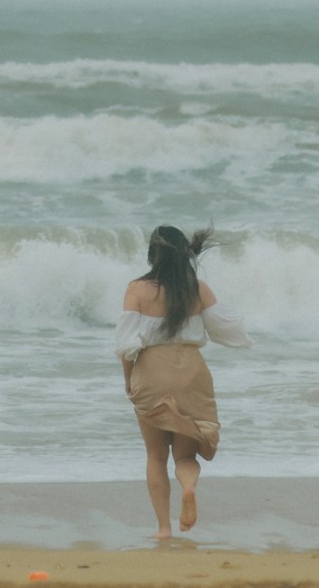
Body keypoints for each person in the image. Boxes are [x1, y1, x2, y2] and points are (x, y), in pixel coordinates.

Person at [116, 225, 252, 540]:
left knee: (155, 455)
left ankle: (164, 529)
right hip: (192, 372)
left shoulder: (137, 289)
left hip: (152, 370)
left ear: (153, 255)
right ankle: (188, 488)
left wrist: (128, 380)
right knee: (185, 456)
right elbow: (225, 329)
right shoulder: (198, 288)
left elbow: (126, 344)